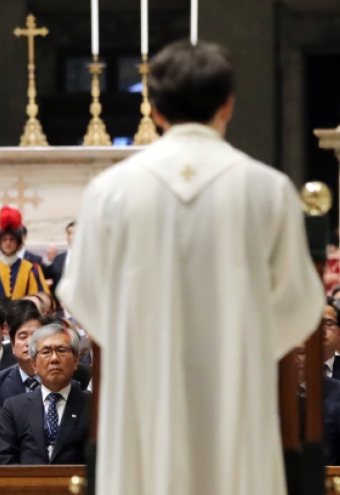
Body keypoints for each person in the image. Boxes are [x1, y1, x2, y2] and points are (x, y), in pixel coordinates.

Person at [57, 41, 324, 495]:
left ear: (155, 110)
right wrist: (241, 346)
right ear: (228, 104)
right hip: (237, 394)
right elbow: (299, 306)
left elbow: (84, 298)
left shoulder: (111, 192)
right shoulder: (268, 189)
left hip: (142, 396)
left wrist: (142, 343)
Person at [0, 324, 87, 465]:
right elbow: (5, 460)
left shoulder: (94, 406)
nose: (54, 359)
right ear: (34, 364)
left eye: (62, 350)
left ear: (75, 361)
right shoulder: (14, 408)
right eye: (46, 352)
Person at [0, 207, 49, 302]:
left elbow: (42, 300)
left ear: (19, 243)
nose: (8, 243)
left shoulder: (31, 270)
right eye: (4, 239)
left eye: (12, 239)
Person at [0, 307, 49, 407]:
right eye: (23, 337)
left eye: (36, 336)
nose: (30, 343)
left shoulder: (62, 378)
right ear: (13, 345)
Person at [47, 222, 74, 300]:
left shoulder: (88, 259)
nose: (72, 237)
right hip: (59, 307)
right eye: (69, 233)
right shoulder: (59, 258)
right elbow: (49, 277)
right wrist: (50, 261)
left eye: (75, 234)